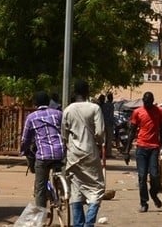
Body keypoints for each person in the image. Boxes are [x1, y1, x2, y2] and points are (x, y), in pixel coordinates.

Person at [62, 79, 106, 226]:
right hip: (90, 152)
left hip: (73, 154)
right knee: (97, 188)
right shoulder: (94, 108)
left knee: (76, 189)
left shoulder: (68, 110)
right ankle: (89, 222)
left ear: (75, 93)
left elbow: (64, 134)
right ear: (87, 92)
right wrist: (99, 143)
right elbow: (100, 132)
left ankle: (78, 224)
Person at [20, 90, 65, 209]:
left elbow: (25, 140)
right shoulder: (58, 114)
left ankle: (41, 216)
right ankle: (61, 191)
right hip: (60, 152)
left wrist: (24, 151)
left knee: (40, 187)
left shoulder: (31, 117)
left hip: (43, 156)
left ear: (35, 103)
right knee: (57, 167)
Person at [124, 91, 162, 213]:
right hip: (141, 147)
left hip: (154, 147)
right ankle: (144, 202)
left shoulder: (159, 111)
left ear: (152, 101)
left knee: (154, 174)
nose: (147, 104)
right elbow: (132, 131)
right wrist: (127, 151)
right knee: (142, 177)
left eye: (149, 102)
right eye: (145, 102)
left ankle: (153, 192)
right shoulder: (137, 112)